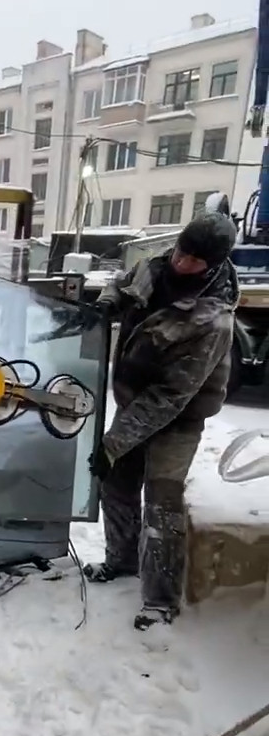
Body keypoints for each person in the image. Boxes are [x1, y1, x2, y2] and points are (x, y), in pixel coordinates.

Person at [84, 210, 238, 631]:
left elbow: (170, 397)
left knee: (162, 502)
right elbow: (125, 284)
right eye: (182, 252)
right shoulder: (155, 266)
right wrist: (105, 303)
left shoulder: (212, 319)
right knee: (115, 482)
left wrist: (115, 440)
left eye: (194, 260)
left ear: (215, 264)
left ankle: (160, 600)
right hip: (134, 402)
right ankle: (121, 559)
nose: (182, 263)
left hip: (178, 419)